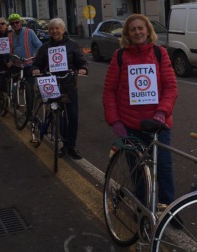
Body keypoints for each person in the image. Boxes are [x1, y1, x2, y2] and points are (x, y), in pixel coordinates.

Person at [102, 14, 178, 209]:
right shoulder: (120, 56)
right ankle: (142, 207)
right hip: (130, 125)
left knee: (164, 168)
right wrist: (115, 122)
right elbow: (109, 91)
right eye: (133, 29)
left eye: (140, 28)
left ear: (148, 30)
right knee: (137, 170)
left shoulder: (160, 53)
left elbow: (170, 87)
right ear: (127, 33)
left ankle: (170, 208)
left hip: (158, 124)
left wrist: (162, 112)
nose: (137, 32)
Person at [32, 18, 88, 160]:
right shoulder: (45, 48)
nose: (54, 31)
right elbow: (37, 63)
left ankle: (72, 146)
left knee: (73, 117)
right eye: (51, 29)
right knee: (59, 117)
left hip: (69, 86)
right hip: (51, 85)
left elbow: (81, 62)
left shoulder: (73, 45)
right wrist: (36, 69)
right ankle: (64, 144)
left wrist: (82, 69)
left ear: (63, 30)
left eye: (57, 28)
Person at [7, 13, 42, 119]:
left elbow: (39, 45)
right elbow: (9, 51)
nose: (15, 25)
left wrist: (37, 58)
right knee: (13, 87)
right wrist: (9, 60)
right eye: (12, 23)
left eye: (17, 22)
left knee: (30, 89)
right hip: (16, 65)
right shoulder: (10, 36)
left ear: (20, 22)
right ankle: (14, 102)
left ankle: (30, 112)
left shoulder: (29, 32)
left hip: (29, 65)